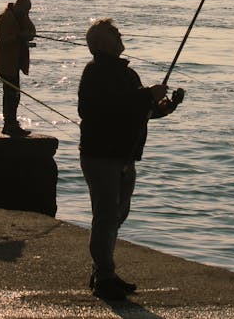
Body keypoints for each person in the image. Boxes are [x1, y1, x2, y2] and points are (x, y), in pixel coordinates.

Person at [78, 18, 184, 301]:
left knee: (118, 215)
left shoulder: (127, 74)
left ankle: (102, 271)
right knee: (106, 216)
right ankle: (104, 277)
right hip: (101, 155)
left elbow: (140, 111)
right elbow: (105, 108)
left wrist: (165, 106)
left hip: (124, 156)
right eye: (114, 33)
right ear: (102, 43)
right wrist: (146, 95)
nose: (119, 35)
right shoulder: (95, 73)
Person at [0, 0, 35, 137]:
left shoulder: (22, 17)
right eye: (25, 10)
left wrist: (27, 32)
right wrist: (19, 36)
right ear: (18, 6)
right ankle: (9, 124)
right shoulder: (5, 18)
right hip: (6, 62)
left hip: (16, 61)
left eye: (28, 11)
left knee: (15, 94)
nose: (26, 13)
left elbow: (32, 30)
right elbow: (3, 38)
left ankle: (10, 123)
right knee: (11, 93)